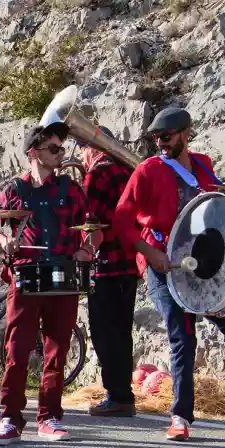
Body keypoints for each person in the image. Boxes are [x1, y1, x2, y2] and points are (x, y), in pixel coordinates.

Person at [114, 107, 225, 443]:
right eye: (155, 139)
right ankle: (180, 417)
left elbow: (213, 211)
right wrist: (151, 253)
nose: (160, 144)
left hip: (202, 266)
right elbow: (122, 221)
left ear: (185, 134)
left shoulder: (203, 165)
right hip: (163, 265)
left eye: (166, 137)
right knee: (182, 336)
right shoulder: (148, 170)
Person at [0, 122, 96, 445]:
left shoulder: (70, 189)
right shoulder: (12, 190)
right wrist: (1, 239)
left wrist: (88, 247)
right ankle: (10, 418)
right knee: (17, 350)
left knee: (57, 351)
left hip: (63, 276)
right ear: (33, 154)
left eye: (60, 148)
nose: (60, 155)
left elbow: (94, 228)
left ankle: (49, 417)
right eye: (53, 149)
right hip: (26, 278)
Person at [78, 128, 141, 418]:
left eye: (82, 149)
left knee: (103, 332)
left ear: (91, 147)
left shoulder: (96, 175)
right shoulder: (127, 169)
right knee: (122, 331)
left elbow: (93, 227)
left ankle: (117, 396)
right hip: (130, 263)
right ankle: (123, 394)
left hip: (106, 265)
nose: (81, 156)